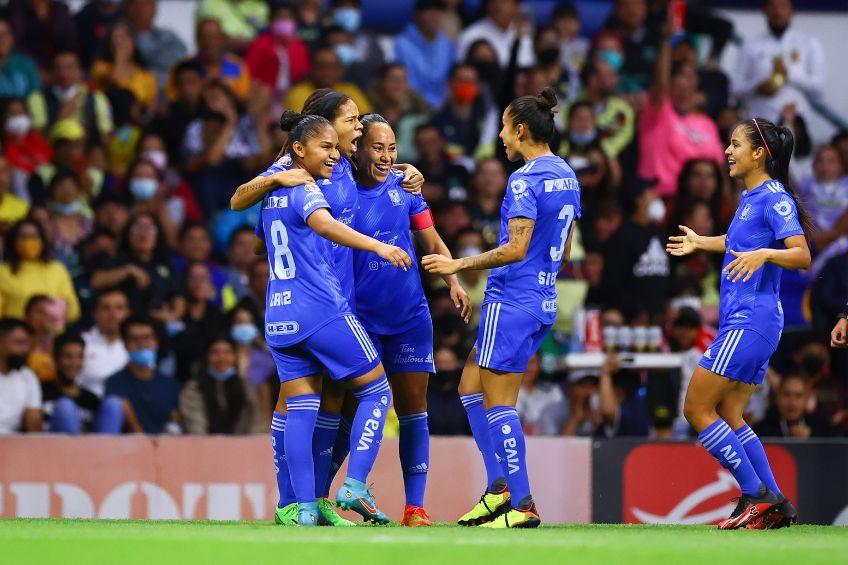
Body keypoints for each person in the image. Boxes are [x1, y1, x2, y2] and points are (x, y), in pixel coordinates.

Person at [231, 89, 423, 527]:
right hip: (324, 305)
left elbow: (380, 172)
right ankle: (334, 490)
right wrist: (379, 246)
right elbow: (262, 207)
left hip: (285, 311)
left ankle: (305, 506)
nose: (358, 128)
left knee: (306, 407)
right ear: (317, 133)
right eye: (351, 121)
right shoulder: (301, 177)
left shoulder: (340, 167)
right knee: (370, 392)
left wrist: (409, 175)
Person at [423, 87, 580, 528]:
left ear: (522, 130)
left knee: (499, 404)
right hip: (543, 299)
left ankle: (523, 504)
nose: (500, 135)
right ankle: (498, 490)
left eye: (505, 128)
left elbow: (515, 248)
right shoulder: (567, 174)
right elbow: (565, 249)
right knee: (470, 387)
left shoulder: (525, 179)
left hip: (511, 300)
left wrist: (458, 262)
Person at [666, 117, 814, 530]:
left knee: (696, 407)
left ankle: (755, 495)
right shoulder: (751, 197)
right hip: (752, 321)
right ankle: (776, 503)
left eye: (734, 145)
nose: (727, 152)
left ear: (758, 153)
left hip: (750, 320)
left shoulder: (773, 197)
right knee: (731, 413)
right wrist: (702, 242)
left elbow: (801, 254)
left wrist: (767, 255)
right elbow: (738, 245)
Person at [349, 114, 471, 526]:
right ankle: (322, 498)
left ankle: (414, 507)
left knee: (413, 410)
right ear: (358, 148)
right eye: (377, 147)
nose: (386, 156)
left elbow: (431, 238)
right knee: (345, 407)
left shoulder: (406, 188)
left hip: (408, 316)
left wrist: (452, 278)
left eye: (392, 148)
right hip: (356, 318)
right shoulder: (337, 186)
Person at [638, 17, 723, 199]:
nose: (685, 83)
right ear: (670, 82)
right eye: (680, 78)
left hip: (701, 203)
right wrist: (666, 41)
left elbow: (719, 170)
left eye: (690, 77)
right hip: (661, 199)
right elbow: (660, 85)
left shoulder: (706, 123)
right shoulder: (659, 112)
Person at [732, 0, 825, 127]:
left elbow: (818, 89)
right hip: (760, 124)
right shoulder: (751, 45)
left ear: (792, 11)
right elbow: (735, 88)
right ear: (764, 10)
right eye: (773, 6)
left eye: (783, 6)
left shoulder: (809, 43)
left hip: (796, 126)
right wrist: (756, 88)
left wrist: (790, 76)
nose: (778, 12)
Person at [103, 315, 181, 435]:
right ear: (125, 344)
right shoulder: (114, 382)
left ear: (156, 342)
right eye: (134, 339)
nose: (141, 344)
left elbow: (176, 421)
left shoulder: (171, 385)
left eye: (147, 338)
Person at [0, 218, 80, 323]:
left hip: (52, 335)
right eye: (22, 237)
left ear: (42, 240)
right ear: (13, 241)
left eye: (34, 236)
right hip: (17, 336)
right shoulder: (3, 272)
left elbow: (73, 311)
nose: (28, 241)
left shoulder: (57, 269)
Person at [42, 332, 124, 434]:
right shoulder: (40, 391)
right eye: (68, 356)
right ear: (55, 359)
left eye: (79, 357)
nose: (74, 363)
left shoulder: (91, 399)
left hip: (91, 448)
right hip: (50, 447)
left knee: (113, 403)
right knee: (65, 406)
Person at [179, 336, 263, 434]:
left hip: (242, 446)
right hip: (203, 446)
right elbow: (195, 426)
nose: (222, 358)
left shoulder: (246, 387)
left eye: (227, 352)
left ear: (234, 357)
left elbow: (256, 423)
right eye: (215, 353)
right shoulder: (194, 388)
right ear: (207, 357)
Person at [394, 0, 456, 110]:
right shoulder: (400, 44)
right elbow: (403, 84)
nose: (435, 16)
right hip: (412, 107)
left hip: (445, 108)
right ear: (416, 15)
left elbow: (450, 81)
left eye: (439, 11)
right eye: (429, 11)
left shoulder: (448, 45)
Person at [78, 289, 130, 397]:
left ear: (127, 313)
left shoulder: (137, 344)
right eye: (106, 308)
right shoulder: (80, 342)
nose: (113, 314)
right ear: (95, 314)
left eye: (119, 308)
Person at [124, 0, 187, 88]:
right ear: (127, 8)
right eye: (136, 4)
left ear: (154, 9)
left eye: (146, 4)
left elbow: (180, 61)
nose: (140, 9)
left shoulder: (168, 36)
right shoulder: (119, 37)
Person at [0, 318, 42, 433]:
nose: (25, 349)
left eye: (27, 344)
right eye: (19, 343)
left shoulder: (28, 377)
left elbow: (34, 424)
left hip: (14, 444)